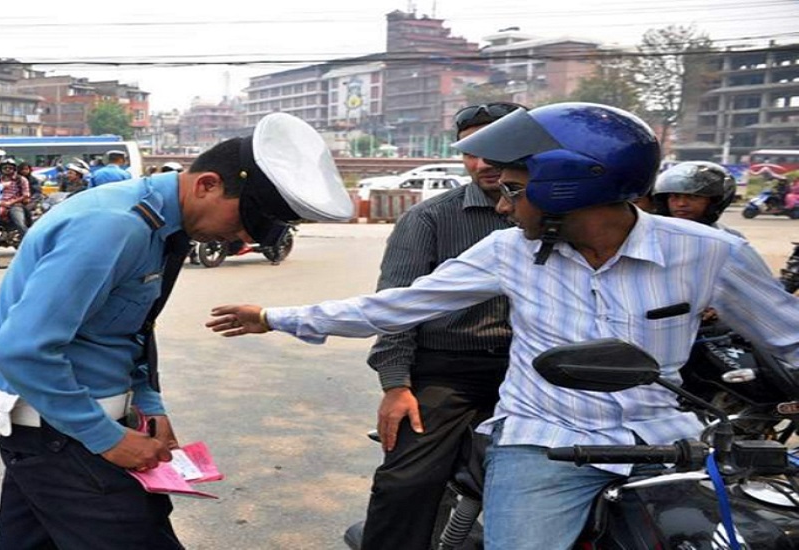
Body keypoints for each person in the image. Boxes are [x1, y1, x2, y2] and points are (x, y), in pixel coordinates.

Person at [206, 103, 799, 549]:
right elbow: (395, 305)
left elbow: (789, 341)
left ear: (572, 189)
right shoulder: (507, 250)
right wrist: (274, 317)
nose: (501, 205)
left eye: (515, 190)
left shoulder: (711, 253)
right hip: (544, 442)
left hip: (666, 440)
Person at [0, 112, 355, 550]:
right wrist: (108, 439)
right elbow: (21, 350)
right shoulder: (114, 225)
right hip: (68, 435)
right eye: (245, 219)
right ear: (207, 184)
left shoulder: (162, 224)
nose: (242, 236)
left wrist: (148, 403)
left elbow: (128, 328)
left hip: (65, 429)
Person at [355, 102, 522, 550]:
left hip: (532, 369)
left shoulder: (563, 215)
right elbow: (395, 305)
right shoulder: (429, 217)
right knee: (405, 482)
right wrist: (395, 385)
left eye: (496, 148)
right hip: (449, 369)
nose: (482, 163)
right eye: (471, 150)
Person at [651, 161, 741, 236]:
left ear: (713, 201)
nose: (681, 203)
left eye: (693, 197)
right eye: (675, 196)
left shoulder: (731, 240)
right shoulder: (650, 235)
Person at [0, 157, 31, 239]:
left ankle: (27, 242)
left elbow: (26, 195)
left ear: (14, 169)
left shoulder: (21, 180)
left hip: (15, 205)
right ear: (1, 169)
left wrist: (10, 203)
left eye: (10, 168)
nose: (8, 169)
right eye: (5, 168)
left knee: (20, 224)